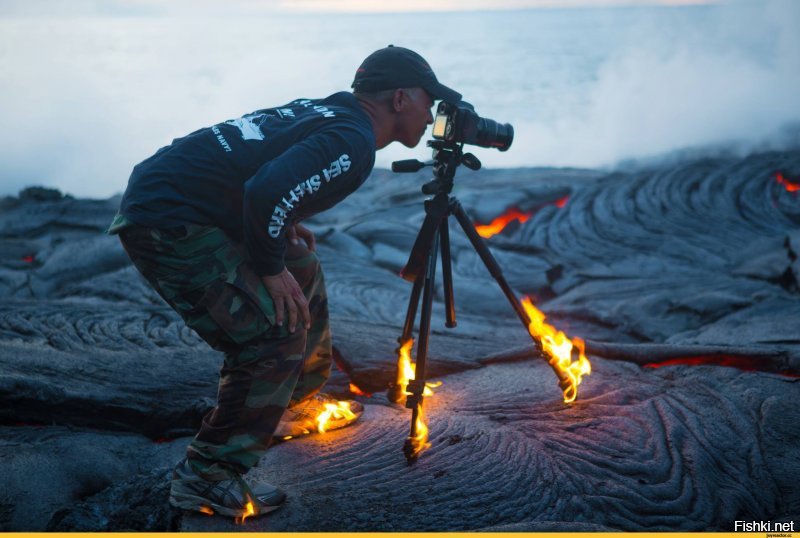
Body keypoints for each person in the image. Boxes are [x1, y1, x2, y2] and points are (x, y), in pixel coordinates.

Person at [107, 45, 461, 519]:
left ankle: (290, 403)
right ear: (400, 99)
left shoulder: (332, 109)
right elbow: (266, 189)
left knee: (302, 266)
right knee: (271, 333)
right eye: (428, 99)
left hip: (182, 197)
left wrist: (280, 226)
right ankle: (207, 476)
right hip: (168, 220)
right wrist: (269, 268)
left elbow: (261, 167)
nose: (432, 111)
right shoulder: (352, 140)